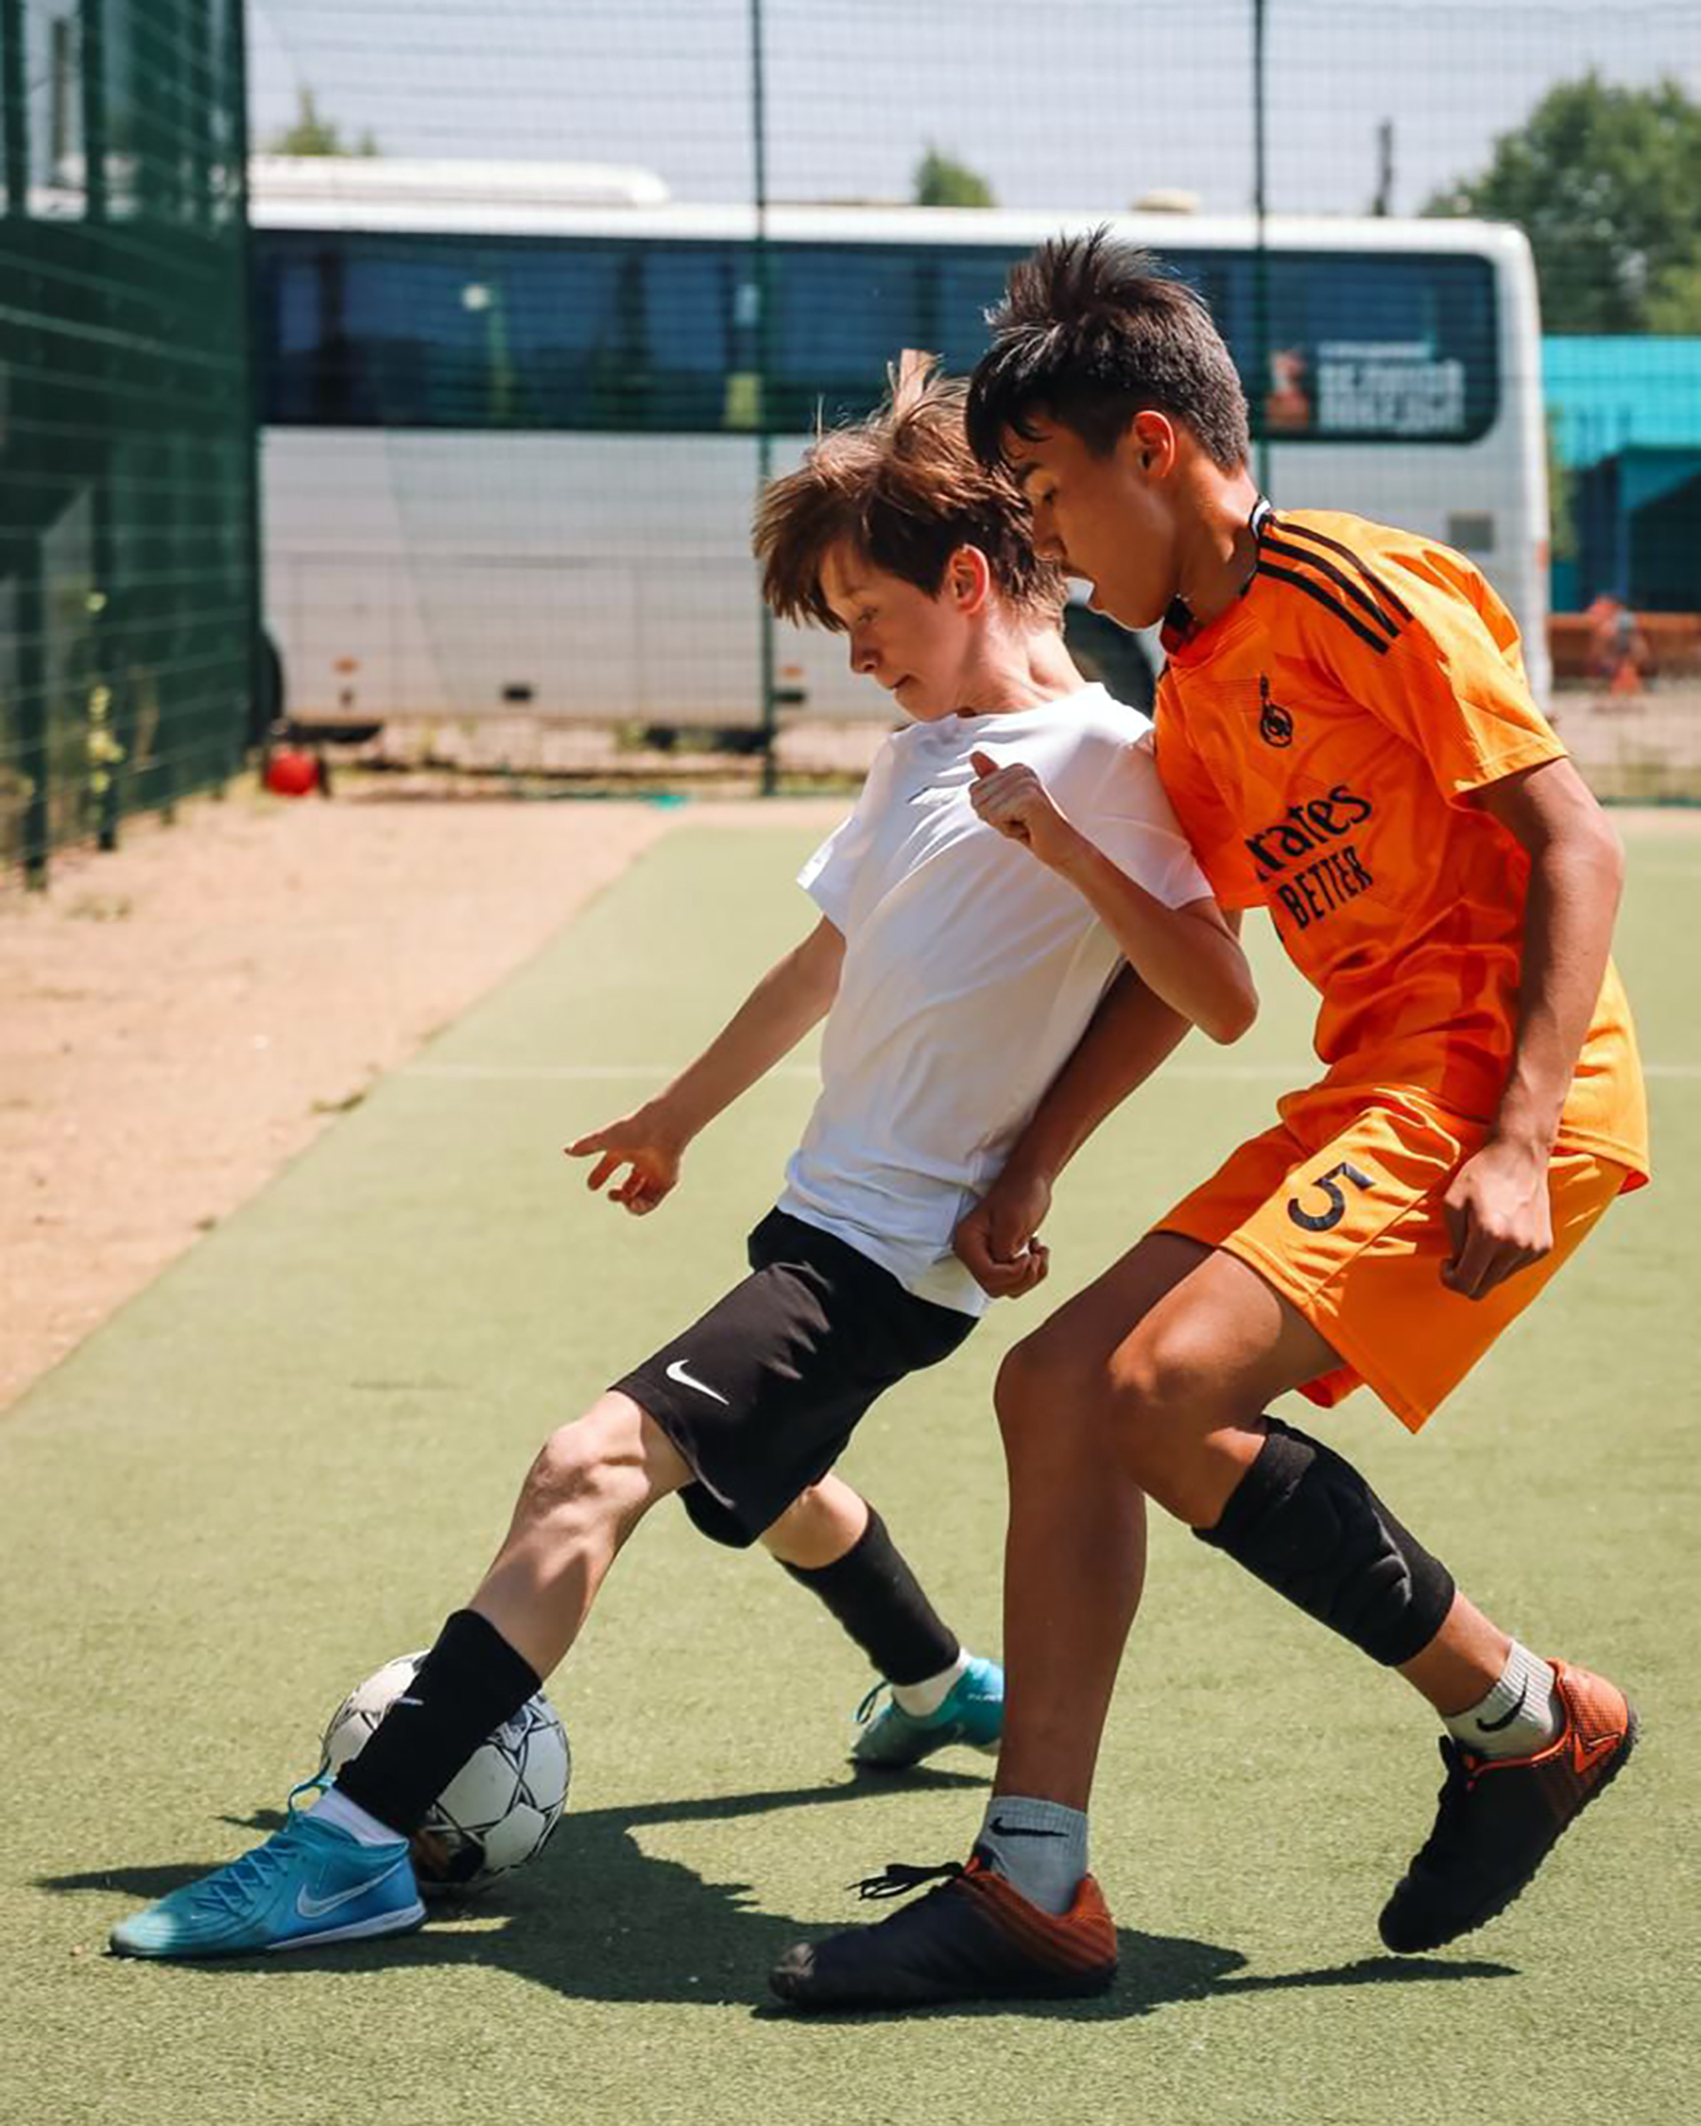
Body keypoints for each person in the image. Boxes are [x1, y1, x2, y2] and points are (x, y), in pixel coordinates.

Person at [110, 353, 1255, 1960]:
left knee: (590, 1462)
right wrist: (677, 1114)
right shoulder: (917, 755)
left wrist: (1038, 1098)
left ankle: (352, 1847)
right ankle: (939, 1681)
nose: (853, 654)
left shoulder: (1108, 762)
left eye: (868, 615)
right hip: (822, 1217)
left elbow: (1211, 990)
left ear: (968, 580)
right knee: (775, 1475)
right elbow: (821, 961)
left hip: (894, 1253)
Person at [771, 235, 1651, 2011]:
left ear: (1155, 448)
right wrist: (1033, 1160)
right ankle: (1035, 1882)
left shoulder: (1355, 585)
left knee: (1158, 1387)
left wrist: (1513, 1131)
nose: (1044, 541)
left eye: (1047, 494)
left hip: (1494, 1088)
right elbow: (1195, 975)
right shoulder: (1188, 686)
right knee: (1052, 1388)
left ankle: (1520, 1715)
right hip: (1370, 1088)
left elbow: (1576, 841)